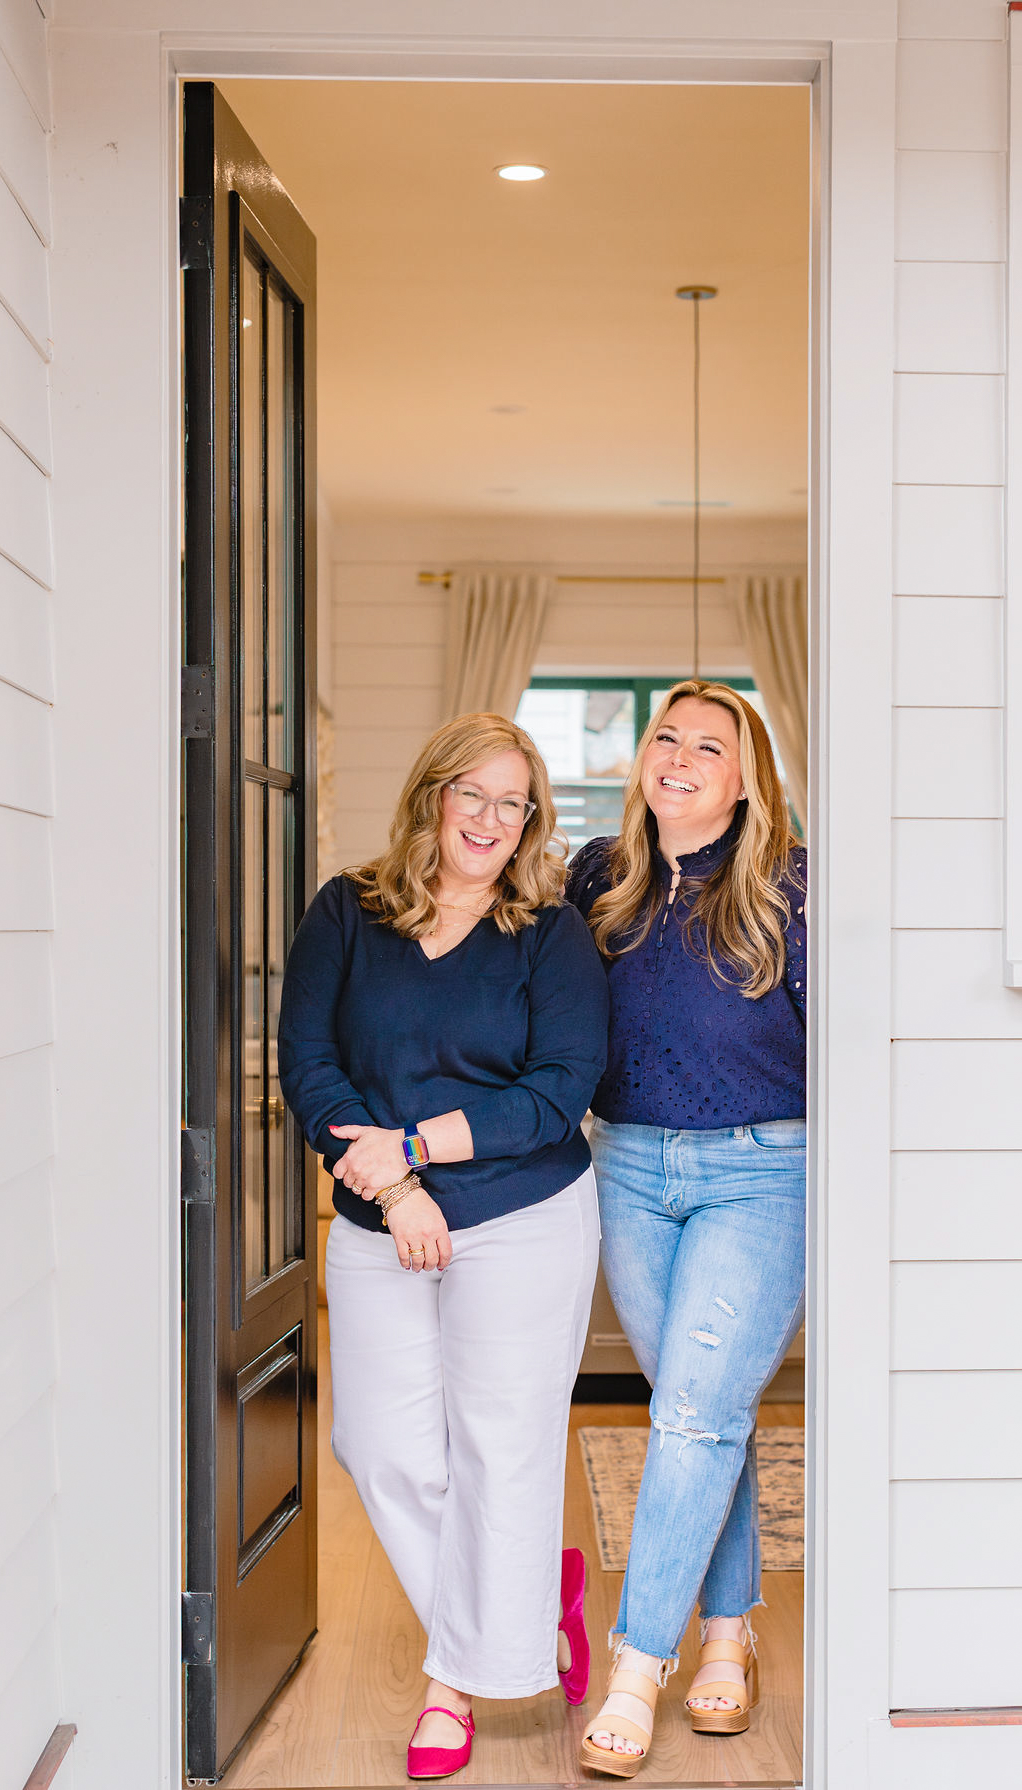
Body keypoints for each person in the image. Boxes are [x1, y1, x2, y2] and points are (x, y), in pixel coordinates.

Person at [278, 711, 608, 1781]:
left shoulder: (549, 928)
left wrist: (418, 1142)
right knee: (378, 1445)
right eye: (474, 792)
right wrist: (400, 1184)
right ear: (433, 793)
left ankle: (448, 1684)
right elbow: (309, 1063)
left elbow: (560, 1091)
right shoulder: (347, 907)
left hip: (521, 1213)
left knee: (498, 1446)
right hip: (382, 1216)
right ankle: (529, 1602)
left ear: (530, 821)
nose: (490, 818)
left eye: (513, 802)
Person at [565, 679, 807, 1778]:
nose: (678, 755)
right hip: (626, 1163)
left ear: (744, 777)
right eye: (666, 735)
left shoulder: (790, 887)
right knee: (698, 1414)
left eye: (710, 745)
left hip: (761, 1171)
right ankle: (727, 1634)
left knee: (697, 1413)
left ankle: (636, 1663)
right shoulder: (596, 880)